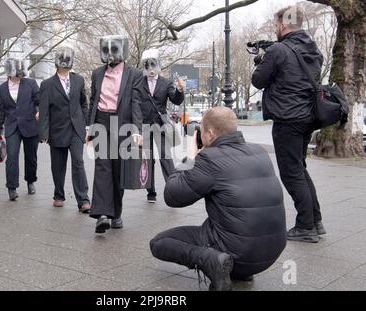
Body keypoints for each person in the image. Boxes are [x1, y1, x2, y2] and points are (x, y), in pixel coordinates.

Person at [150, 107, 286, 291]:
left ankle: (213, 261)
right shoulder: (259, 152)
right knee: (231, 214)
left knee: (159, 243)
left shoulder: (209, 159)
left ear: (210, 134)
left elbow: (173, 196)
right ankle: (240, 270)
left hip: (238, 252)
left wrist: (190, 158)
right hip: (271, 251)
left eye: (202, 131)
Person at [252, 5, 325, 243]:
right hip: (307, 117)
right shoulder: (313, 49)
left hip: (287, 118)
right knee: (300, 168)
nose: (275, 29)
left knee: (291, 173)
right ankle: (315, 221)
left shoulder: (278, 50)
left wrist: (260, 60)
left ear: (283, 25)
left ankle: (305, 226)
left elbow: (258, 80)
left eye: (275, 25)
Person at [87, 35, 144, 233]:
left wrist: (137, 130)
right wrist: (89, 127)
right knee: (103, 167)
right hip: (101, 122)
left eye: (114, 50)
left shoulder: (135, 74)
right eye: (107, 50)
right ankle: (102, 214)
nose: (110, 54)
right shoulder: (96, 74)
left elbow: (136, 103)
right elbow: (93, 101)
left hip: (124, 125)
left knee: (119, 170)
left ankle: (116, 214)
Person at [39, 47, 91, 212]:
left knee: (78, 163)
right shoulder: (47, 85)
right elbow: (44, 111)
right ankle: (59, 195)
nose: (66, 63)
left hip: (76, 129)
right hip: (57, 131)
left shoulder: (79, 80)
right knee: (58, 165)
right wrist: (44, 133)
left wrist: (86, 126)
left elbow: (84, 102)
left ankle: (83, 200)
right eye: (62, 61)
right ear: (57, 63)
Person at [139, 49, 185, 203]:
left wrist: (179, 90)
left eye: (153, 65)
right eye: (148, 65)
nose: (151, 68)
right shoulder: (139, 82)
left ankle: (173, 190)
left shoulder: (166, 83)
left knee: (165, 157)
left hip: (160, 125)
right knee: (147, 158)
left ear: (158, 65)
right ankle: (150, 191)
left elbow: (176, 100)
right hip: (144, 125)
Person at [0, 59, 40, 201]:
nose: (20, 74)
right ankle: (12, 187)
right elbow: (1, 111)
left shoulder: (31, 84)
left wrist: (40, 112)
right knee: (12, 157)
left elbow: (40, 100)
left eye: (21, 71)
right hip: (12, 126)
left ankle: (30, 181)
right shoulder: (1, 89)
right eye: (17, 71)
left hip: (31, 125)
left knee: (31, 157)